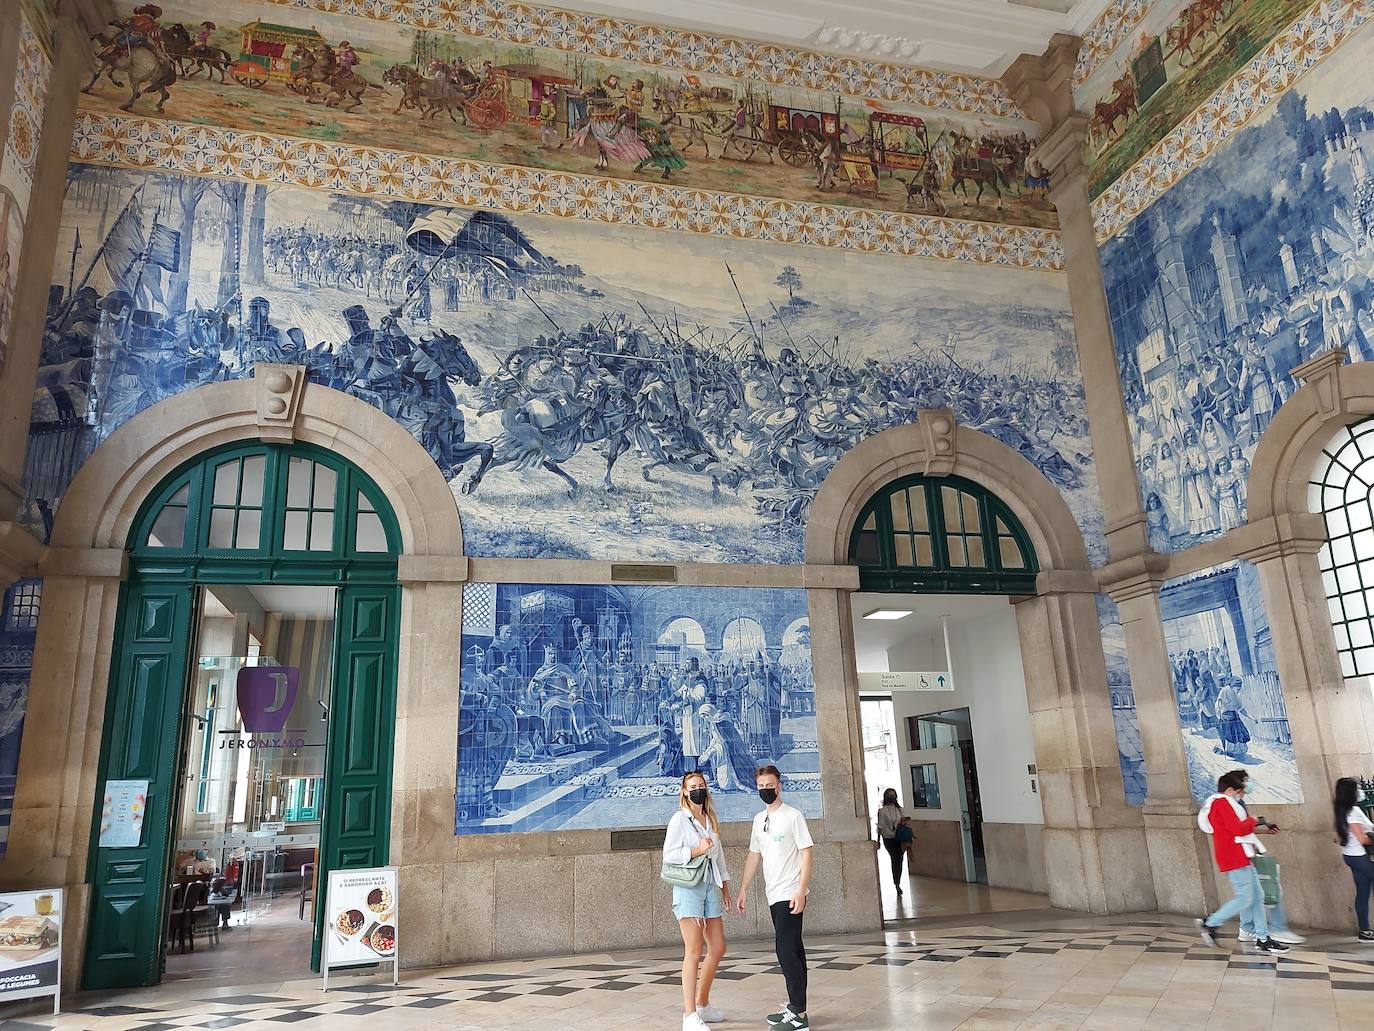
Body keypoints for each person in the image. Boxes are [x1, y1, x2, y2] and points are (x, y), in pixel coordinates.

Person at [736, 765, 812, 1030]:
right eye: (761, 787)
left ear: (779, 786)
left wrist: (801, 889)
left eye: (770, 786)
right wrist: (744, 888)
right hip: (773, 894)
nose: (766, 791)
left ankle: (798, 1014)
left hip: (790, 893)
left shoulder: (793, 816)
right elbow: (754, 855)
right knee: (793, 951)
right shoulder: (760, 820)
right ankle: (797, 1008)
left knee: (786, 952)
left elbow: (806, 852)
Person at [662, 772, 731, 1030]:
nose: (698, 790)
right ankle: (689, 1015)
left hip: (710, 887)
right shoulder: (680, 820)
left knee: (718, 947)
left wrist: (725, 888)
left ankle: (702, 1004)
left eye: (701, 786)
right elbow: (669, 855)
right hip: (689, 889)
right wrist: (696, 850)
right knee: (693, 951)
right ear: (684, 791)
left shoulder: (710, 818)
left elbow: (719, 856)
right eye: (693, 787)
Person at [1196, 770, 1290, 954]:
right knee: (1245, 897)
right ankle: (1210, 923)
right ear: (1231, 789)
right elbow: (1237, 829)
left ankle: (1263, 938)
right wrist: (1253, 820)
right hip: (1234, 855)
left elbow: (1237, 829)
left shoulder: (1226, 803)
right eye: (1243, 786)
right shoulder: (1222, 803)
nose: (1245, 790)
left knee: (1257, 897)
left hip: (1240, 854)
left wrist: (1259, 827)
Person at [1333, 777, 1374, 943]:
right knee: (1363, 893)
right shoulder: (1354, 812)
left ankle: (1365, 931)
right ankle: (1364, 930)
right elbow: (1363, 839)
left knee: (1363, 892)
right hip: (1360, 857)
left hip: (1351, 856)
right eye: (1357, 788)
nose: (1360, 790)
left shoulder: (1342, 810)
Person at [876, 788, 907, 896]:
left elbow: (904, 821)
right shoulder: (882, 811)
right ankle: (896, 884)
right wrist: (878, 841)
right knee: (895, 859)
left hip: (900, 837)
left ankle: (898, 880)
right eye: (890, 795)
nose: (892, 797)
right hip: (888, 838)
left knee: (900, 860)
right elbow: (880, 827)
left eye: (893, 795)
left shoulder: (900, 810)